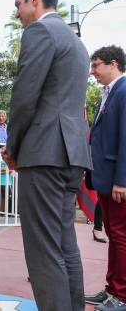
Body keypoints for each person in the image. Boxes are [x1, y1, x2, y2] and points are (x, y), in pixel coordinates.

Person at [1, 0, 92, 311]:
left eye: (18, 3)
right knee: (65, 246)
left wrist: (13, 147)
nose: (17, 12)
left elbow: (25, 96)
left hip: (45, 155)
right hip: (71, 156)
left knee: (43, 252)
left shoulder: (39, 31)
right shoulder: (75, 42)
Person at [84, 45, 126, 310]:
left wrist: (122, 179)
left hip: (117, 181)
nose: (92, 71)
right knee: (113, 234)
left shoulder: (123, 91)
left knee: (121, 236)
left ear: (113, 64)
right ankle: (111, 289)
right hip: (104, 178)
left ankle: (121, 296)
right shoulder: (108, 93)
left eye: (96, 65)